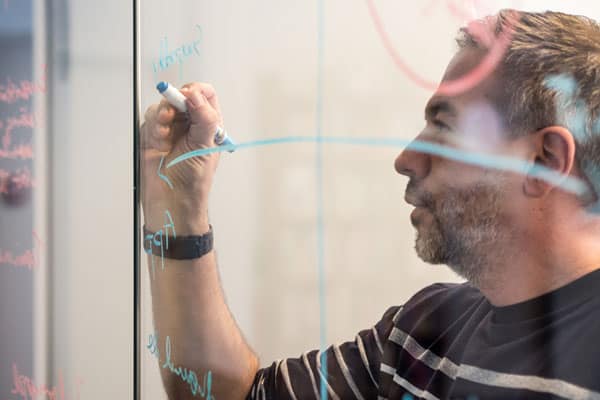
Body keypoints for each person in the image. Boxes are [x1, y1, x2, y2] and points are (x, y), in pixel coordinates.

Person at [141, 9, 600, 400]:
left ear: (545, 160)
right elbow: (235, 395)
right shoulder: (424, 334)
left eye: (444, 128)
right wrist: (180, 208)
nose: (406, 160)